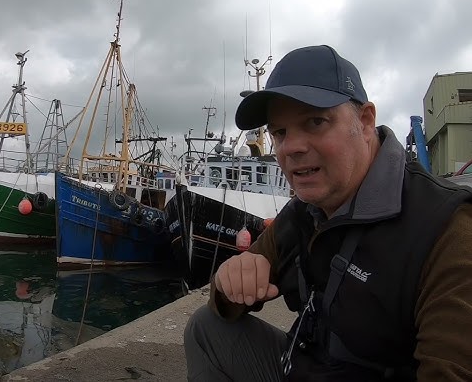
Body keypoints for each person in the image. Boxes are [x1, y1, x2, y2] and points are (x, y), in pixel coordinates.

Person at [183, 45, 472, 382]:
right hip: (309, 365)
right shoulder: (303, 213)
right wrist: (229, 280)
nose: (291, 147)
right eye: (280, 132)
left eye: (315, 122)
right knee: (206, 329)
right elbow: (224, 304)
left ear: (364, 122)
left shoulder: (445, 229)